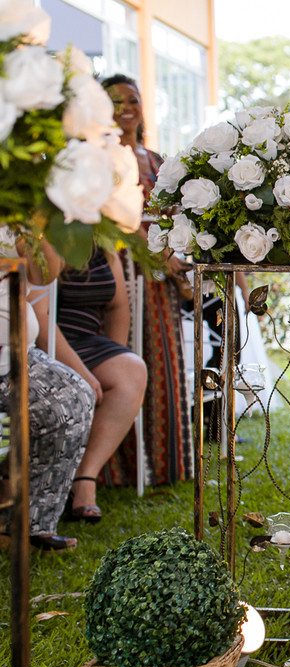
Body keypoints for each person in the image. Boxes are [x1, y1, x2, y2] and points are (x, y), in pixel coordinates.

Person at [100, 74, 192, 486]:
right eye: (115, 101)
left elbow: (174, 216)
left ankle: (164, 464)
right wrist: (154, 248)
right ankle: (116, 470)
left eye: (132, 99)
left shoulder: (158, 161)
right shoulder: (97, 157)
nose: (125, 107)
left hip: (160, 275)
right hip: (117, 268)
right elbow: (108, 214)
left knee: (165, 363)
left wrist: (173, 254)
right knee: (122, 357)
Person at [35, 248, 146, 524]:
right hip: (49, 342)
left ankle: (85, 477)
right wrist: (81, 372)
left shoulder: (104, 246)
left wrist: (115, 352)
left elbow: (118, 306)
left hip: (89, 341)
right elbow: (39, 312)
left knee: (132, 371)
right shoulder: (45, 237)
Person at [1, 242, 95, 551]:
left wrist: (36, 235)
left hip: (19, 353)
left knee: (76, 396)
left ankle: (33, 523)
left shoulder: (18, 206)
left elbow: (45, 276)